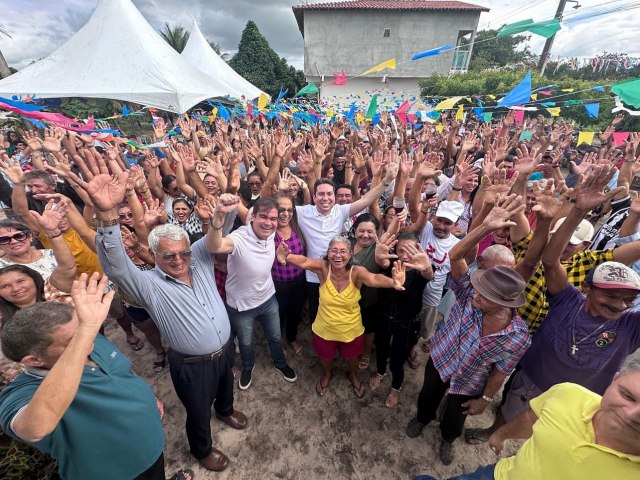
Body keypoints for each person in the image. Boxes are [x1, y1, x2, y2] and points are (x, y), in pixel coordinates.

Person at [70, 156, 246, 472]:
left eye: (183, 253)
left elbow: (219, 233)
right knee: (196, 410)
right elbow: (115, 266)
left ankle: (226, 409)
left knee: (225, 386)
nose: (179, 260)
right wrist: (108, 216)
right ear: (153, 255)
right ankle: (202, 449)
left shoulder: (201, 260)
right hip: (191, 364)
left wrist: (220, 210)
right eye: (168, 255)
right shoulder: (147, 284)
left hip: (223, 349)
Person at [0, 273, 192, 480]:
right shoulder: (22, 392)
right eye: (74, 338)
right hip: (115, 473)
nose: (87, 337)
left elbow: (124, 370)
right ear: (34, 360)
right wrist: (85, 331)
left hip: (149, 449)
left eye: (82, 328)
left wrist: (147, 396)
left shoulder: (90, 340)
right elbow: (34, 428)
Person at [416, 355, 640, 480]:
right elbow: (531, 419)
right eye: (627, 395)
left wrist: (484, 398)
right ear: (613, 381)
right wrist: (499, 435)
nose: (632, 414)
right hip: (500, 476)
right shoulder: (569, 393)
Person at [277, 236, 406, 398]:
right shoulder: (323, 267)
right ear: (328, 253)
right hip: (324, 328)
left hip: (350, 329)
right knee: (325, 357)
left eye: (343, 251)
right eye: (334, 251)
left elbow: (374, 279)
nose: (338, 255)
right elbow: (304, 261)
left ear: (350, 254)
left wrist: (393, 282)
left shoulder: (357, 271)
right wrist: (286, 256)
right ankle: (326, 375)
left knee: (352, 357)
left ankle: (353, 375)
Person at [206, 194, 297, 390]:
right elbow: (214, 246)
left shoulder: (271, 232)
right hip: (241, 306)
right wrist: (218, 215)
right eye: (263, 217)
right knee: (246, 344)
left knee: (275, 337)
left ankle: (280, 363)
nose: (268, 223)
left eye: (273, 219)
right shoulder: (239, 237)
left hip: (268, 299)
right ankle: (248, 367)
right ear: (252, 217)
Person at [296, 161, 398, 327]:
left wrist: (386, 181)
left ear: (334, 198)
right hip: (314, 276)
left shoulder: (340, 211)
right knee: (317, 312)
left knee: (338, 312)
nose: (325, 198)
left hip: (339, 274)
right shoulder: (302, 212)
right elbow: (278, 209)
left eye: (329, 194)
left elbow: (366, 200)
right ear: (314, 197)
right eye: (321, 194)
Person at [370, 232, 433, 407]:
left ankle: (396, 386)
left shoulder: (421, 269)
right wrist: (378, 256)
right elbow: (382, 262)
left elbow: (429, 275)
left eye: (410, 251)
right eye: (400, 250)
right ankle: (381, 372)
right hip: (383, 318)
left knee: (399, 358)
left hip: (407, 323)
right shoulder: (390, 264)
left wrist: (427, 267)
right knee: (381, 349)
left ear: (419, 251)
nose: (405, 256)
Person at [272, 192, 306, 355]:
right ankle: (278, 343)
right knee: (279, 314)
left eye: (290, 210)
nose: (286, 214)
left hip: (299, 281)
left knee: (295, 312)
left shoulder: (298, 227)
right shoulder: (268, 231)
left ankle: (291, 338)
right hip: (278, 283)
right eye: (281, 209)